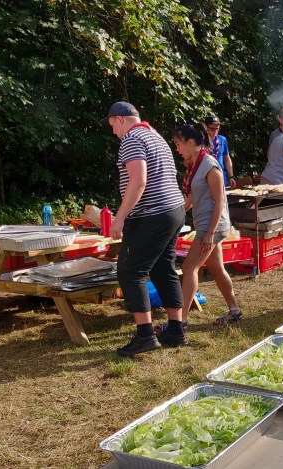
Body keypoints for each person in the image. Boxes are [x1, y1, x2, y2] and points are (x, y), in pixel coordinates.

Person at [104, 101, 187, 356]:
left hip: (152, 214)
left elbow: (139, 181)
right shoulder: (155, 136)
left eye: (112, 125)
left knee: (131, 271)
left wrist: (119, 218)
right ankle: (176, 330)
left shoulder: (131, 139)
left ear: (120, 119)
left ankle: (145, 336)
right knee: (163, 268)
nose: (113, 132)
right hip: (174, 210)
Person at [172, 124, 243, 325]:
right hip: (206, 224)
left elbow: (220, 202)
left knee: (188, 268)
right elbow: (190, 200)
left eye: (178, 144)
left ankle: (180, 321)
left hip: (212, 226)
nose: (177, 149)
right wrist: (173, 215)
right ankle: (235, 310)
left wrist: (210, 233)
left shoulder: (210, 166)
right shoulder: (193, 166)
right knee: (216, 268)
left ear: (190, 143)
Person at [204, 114, 236, 189]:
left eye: (217, 129)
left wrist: (231, 176)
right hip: (205, 181)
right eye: (212, 129)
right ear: (206, 128)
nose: (215, 131)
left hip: (221, 179)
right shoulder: (200, 141)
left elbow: (226, 158)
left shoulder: (222, 139)